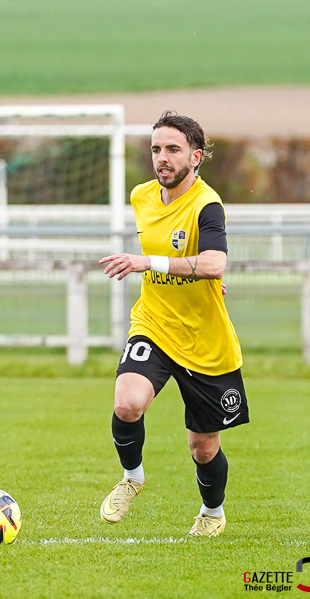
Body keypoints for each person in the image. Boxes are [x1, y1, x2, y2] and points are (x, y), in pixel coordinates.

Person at [97, 110, 248, 536]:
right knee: (127, 403)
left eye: (173, 150)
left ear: (195, 157)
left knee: (203, 448)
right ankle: (132, 478)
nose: (162, 158)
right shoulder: (141, 196)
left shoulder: (206, 204)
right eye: (156, 149)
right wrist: (177, 270)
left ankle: (212, 512)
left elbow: (214, 263)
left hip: (204, 341)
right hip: (154, 324)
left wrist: (149, 262)